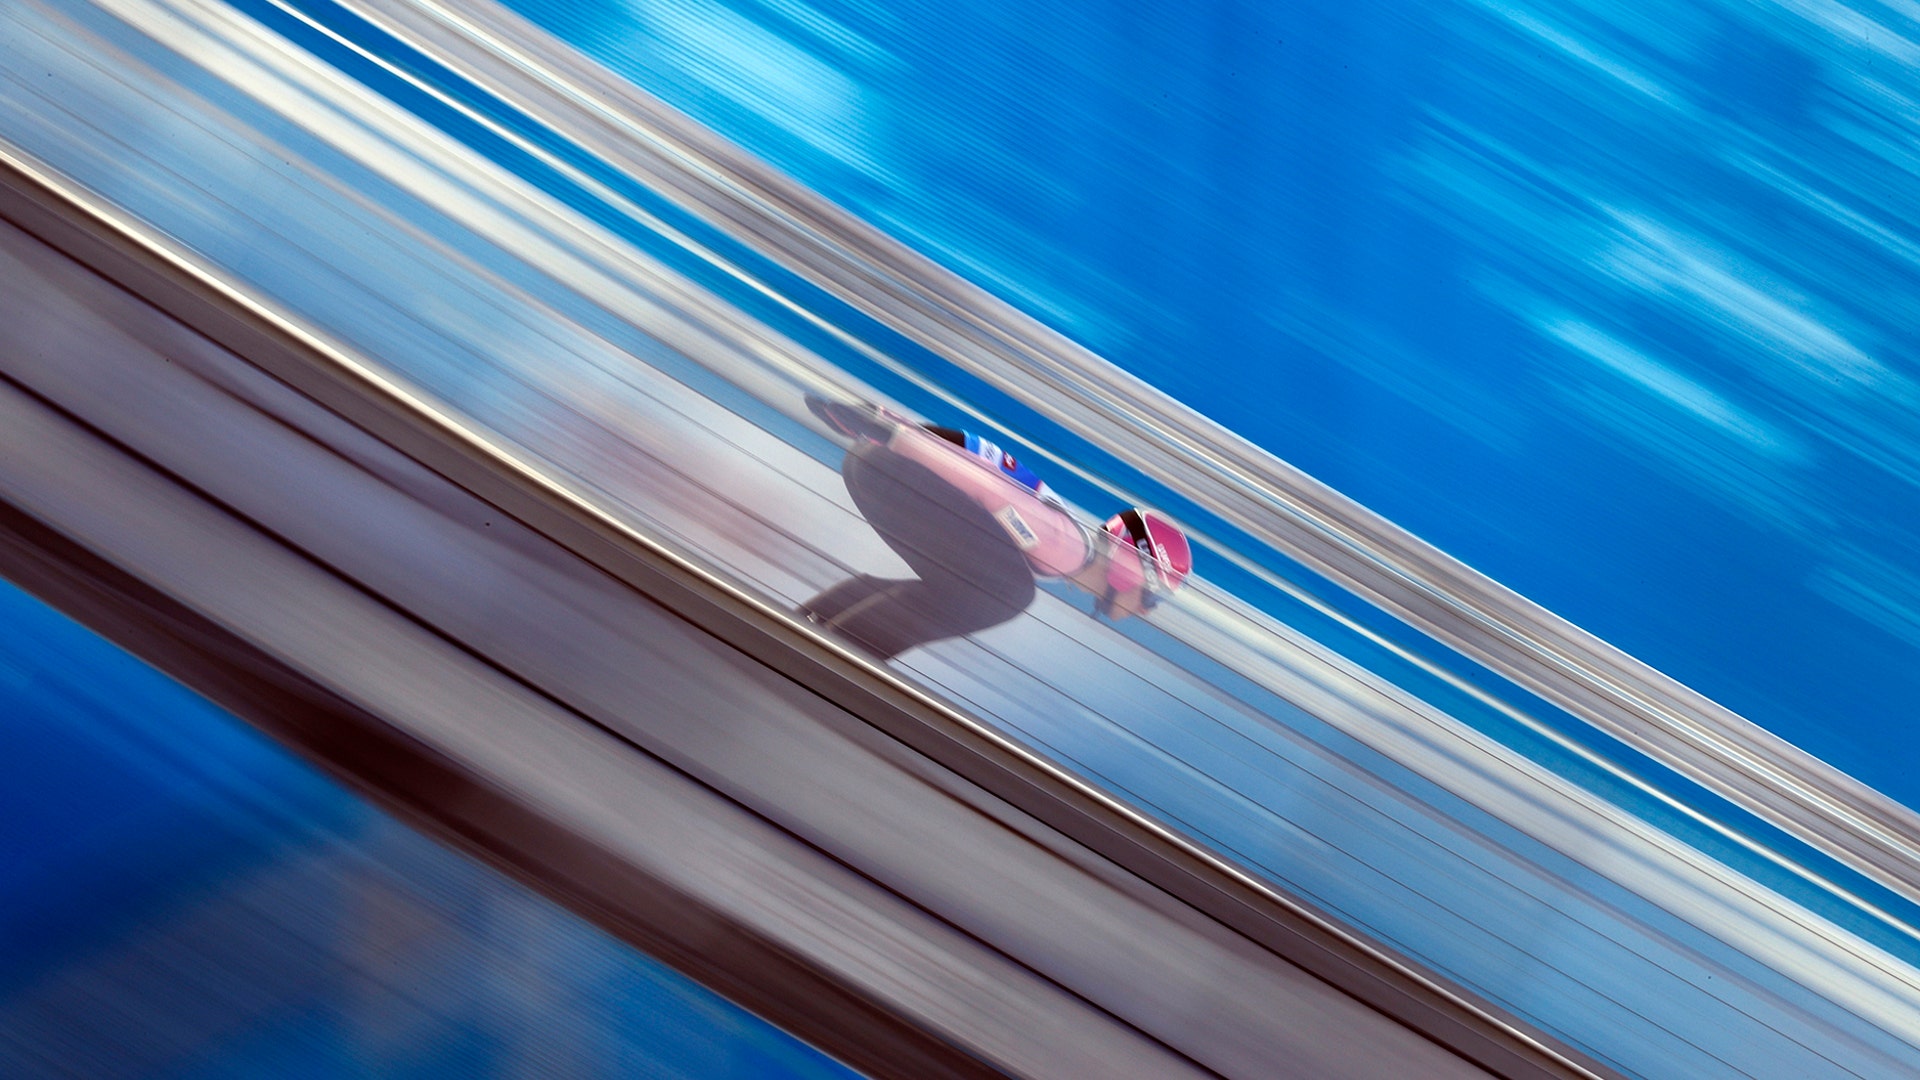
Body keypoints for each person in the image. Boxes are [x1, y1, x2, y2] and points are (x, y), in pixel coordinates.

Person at [800, 394, 1192, 660]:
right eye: (1152, 598)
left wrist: (888, 426)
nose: (1146, 612)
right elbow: (988, 485)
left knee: (970, 592)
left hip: (879, 458)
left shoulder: (1062, 542)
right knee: (1007, 595)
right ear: (1130, 571)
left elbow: (986, 457)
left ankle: (822, 630)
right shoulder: (1064, 548)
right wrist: (895, 435)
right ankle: (842, 649)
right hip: (888, 464)